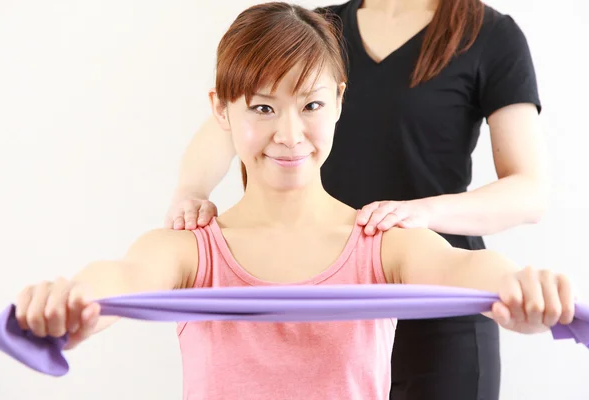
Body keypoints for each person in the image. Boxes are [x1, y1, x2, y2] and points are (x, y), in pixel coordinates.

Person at [12, 3, 563, 400]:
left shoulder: (383, 247)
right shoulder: (192, 253)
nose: (290, 134)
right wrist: (73, 303)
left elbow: (462, 265)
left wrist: (517, 287)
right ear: (222, 111)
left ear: (339, 102)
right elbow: (122, 277)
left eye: (310, 104)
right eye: (263, 109)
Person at [164, 1, 546, 399]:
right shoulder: (322, 29)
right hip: (334, 312)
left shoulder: (490, 35)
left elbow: (529, 192)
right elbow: (238, 116)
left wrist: (418, 214)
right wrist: (190, 193)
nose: (290, 132)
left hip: (439, 304)